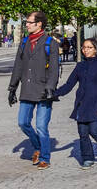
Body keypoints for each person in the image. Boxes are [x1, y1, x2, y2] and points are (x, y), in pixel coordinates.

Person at [8, 11, 61, 170]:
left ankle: (45, 157)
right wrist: (12, 88)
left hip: (44, 90)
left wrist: (51, 87)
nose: (27, 25)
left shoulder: (50, 43)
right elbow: (18, 66)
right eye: (27, 22)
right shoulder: (24, 42)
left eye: (30, 22)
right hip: (27, 89)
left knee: (41, 127)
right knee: (23, 122)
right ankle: (38, 146)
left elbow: (54, 69)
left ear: (39, 24)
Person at [56, 37, 97, 169]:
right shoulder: (80, 66)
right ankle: (88, 158)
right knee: (83, 133)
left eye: (89, 47)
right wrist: (54, 93)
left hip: (95, 104)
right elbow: (69, 84)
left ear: (96, 49)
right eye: (84, 47)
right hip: (81, 104)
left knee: (94, 130)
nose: (86, 50)